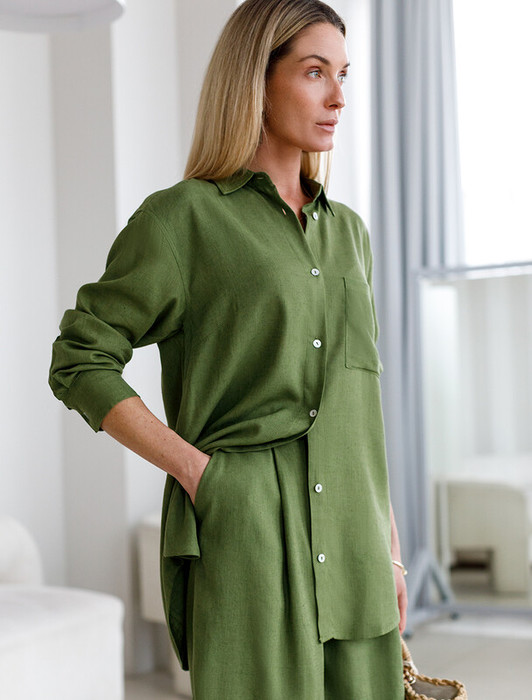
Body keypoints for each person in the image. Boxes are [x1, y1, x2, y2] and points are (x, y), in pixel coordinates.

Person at [49, 0, 408, 697]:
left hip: (358, 547)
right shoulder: (183, 220)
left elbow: (357, 402)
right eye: (314, 72)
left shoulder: (349, 234)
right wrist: (199, 474)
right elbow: (80, 357)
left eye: (343, 74)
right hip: (251, 540)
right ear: (257, 81)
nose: (338, 97)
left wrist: (390, 549)